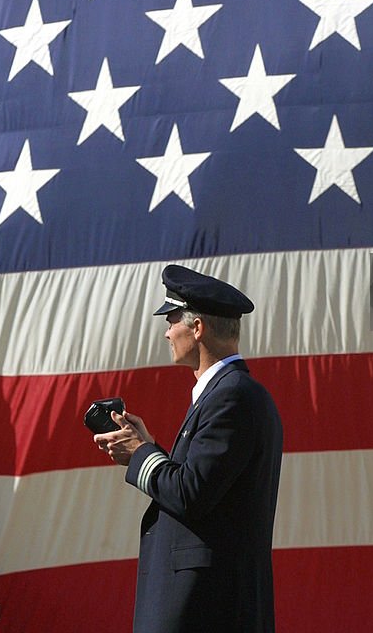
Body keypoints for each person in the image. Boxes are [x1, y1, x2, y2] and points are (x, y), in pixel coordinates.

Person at [94, 264, 283, 633]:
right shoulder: (227, 394)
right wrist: (146, 447)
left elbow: (190, 494)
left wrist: (141, 454)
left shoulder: (231, 396)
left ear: (197, 329)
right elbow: (200, 484)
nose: (167, 333)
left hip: (208, 610)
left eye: (172, 320)